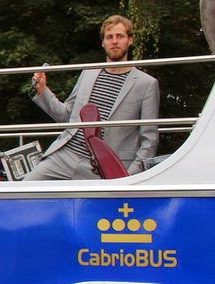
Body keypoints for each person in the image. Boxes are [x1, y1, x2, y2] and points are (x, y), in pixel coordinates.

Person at [22, 15, 159, 180]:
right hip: (65, 155)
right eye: (109, 37)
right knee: (25, 188)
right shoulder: (88, 73)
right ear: (103, 42)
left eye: (120, 36)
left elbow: (149, 139)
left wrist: (130, 176)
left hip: (104, 165)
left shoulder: (146, 83)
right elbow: (67, 116)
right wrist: (43, 90)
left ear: (130, 40)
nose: (114, 41)